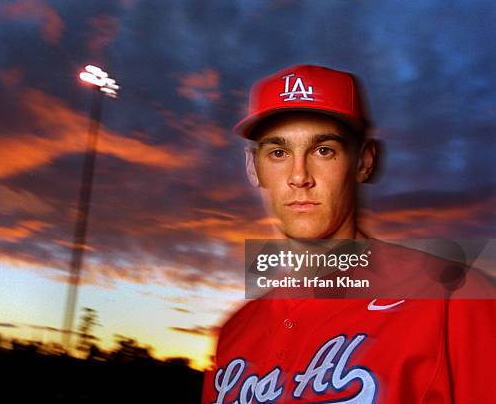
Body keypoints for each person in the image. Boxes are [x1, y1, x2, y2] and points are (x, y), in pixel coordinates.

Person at [201, 64, 495, 403]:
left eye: (324, 150)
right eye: (279, 153)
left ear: (364, 161)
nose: (299, 176)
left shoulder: (454, 301)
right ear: (254, 168)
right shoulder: (234, 333)